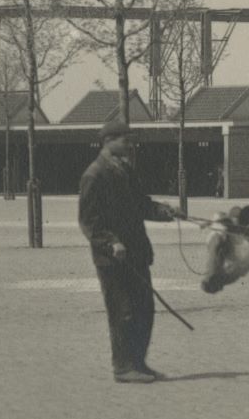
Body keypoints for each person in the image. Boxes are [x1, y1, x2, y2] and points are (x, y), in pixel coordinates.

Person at [76, 108, 180, 383]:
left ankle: (139, 364)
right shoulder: (94, 175)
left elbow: (141, 204)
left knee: (145, 310)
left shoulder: (126, 170)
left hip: (137, 254)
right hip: (114, 258)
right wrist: (111, 243)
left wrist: (163, 211)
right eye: (126, 140)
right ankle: (122, 367)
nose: (130, 145)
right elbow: (88, 221)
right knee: (122, 312)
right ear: (108, 140)